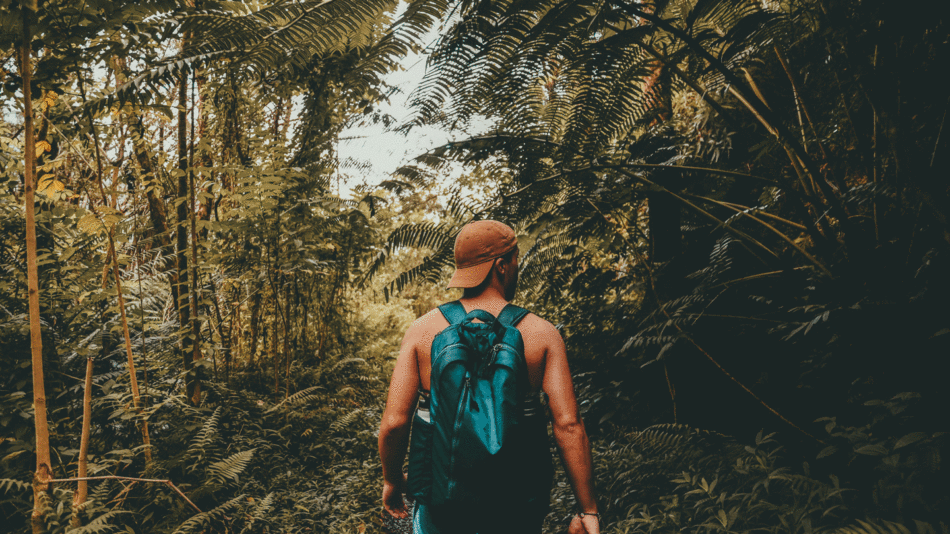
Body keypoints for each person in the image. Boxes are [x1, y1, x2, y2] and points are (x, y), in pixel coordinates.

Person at [379, 220, 600, 534]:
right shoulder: (541, 334)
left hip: (439, 500)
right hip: (518, 504)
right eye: (515, 260)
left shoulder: (422, 331)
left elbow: (394, 423)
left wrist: (392, 480)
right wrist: (587, 509)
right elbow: (568, 425)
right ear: (502, 266)